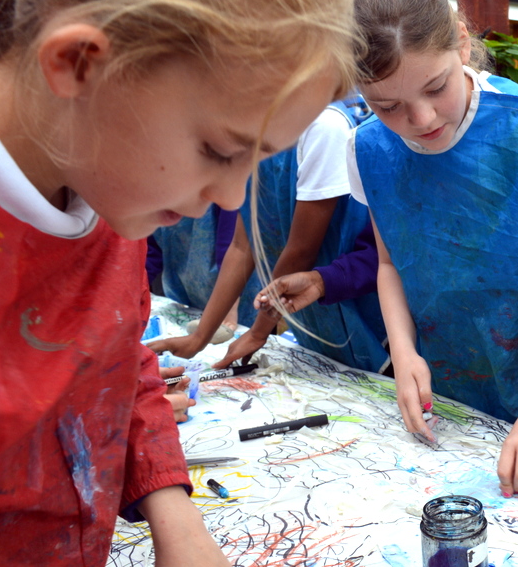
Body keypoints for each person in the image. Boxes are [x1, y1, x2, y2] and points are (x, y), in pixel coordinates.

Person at [0, 0, 356, 567]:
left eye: (258, 160)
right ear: (78, 63)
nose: (228, 197)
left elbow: (113, 359)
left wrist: (173, 515)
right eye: (220, 149)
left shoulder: (99, 173)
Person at [336, 0, 518, 497]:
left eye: (436, 87)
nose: (421, 121)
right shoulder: (366, 148)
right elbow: (390, 264)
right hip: (455, 387)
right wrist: (402, 351)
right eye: (388, 106)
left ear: (462, 43)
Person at [147, 99, 390, 374]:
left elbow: (301, 251)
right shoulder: (251, 127)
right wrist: (199, 338)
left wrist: (257, 332)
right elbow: (242, 245)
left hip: (354, 306)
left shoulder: (324, 127)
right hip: (310, 315)